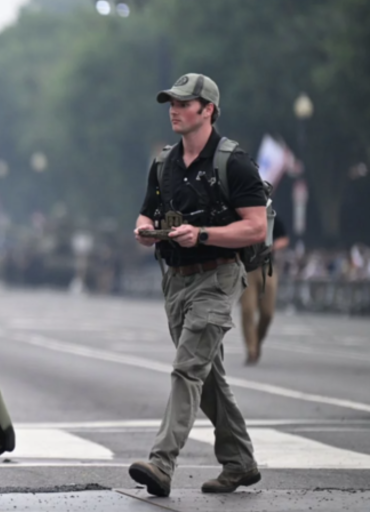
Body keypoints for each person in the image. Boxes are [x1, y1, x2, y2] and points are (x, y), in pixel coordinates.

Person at [130, 74, 266, 496]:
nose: (174, 109)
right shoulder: (163, 163)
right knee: (207, 378)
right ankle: (240, 462)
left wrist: (203, 234)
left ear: (207, 110)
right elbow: (146, 213)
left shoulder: (234, 163)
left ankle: (161, 463)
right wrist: (145, 229)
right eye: (171, 102)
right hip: (175, 279)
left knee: (187, 369)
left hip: (218, 275)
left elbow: (256, 228)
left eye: (184, 103)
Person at [240, 215, 289, 365]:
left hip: (268, 267)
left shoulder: (271, 216)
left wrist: (273, 246)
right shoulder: (242, 215)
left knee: (267, 313)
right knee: (248, 310)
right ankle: (251, 350)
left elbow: (284, 238)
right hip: (248, 268)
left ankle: (257, 341)